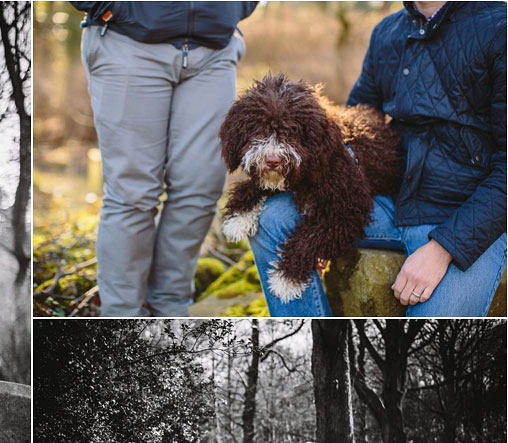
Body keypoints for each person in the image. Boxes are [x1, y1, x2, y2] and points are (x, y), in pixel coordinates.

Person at [249, 1, 507, 316]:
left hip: (469, 216)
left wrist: (444, 249)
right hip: (392, 203)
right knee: (272, 221)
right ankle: (322, 338)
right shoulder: (387, 31)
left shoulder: (499, 26)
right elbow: (353, 126)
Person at [70, 1, 258, 316]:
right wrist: (112, 7)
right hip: (128, 41)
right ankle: (121, 318)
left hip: (214, 50)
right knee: (133, 193)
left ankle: (169, 312)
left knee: (201, 187)